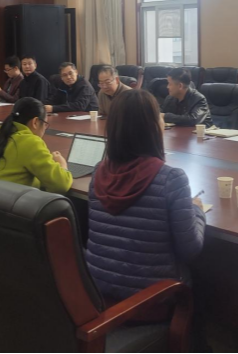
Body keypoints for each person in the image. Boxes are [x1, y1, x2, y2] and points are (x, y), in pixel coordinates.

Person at [86, 88, 206, 303]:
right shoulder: (171, 179)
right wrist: (196, 209)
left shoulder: (98, 172)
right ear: (152, 127)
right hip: (151, 300)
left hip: (98, 293)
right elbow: (190, 250)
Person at [0, 97, 73, 194]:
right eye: (45, 124)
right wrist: (62, 165)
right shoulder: (31, 142)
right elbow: (61, 185)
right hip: (8, 202)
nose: (44, 129)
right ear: (35, 122)